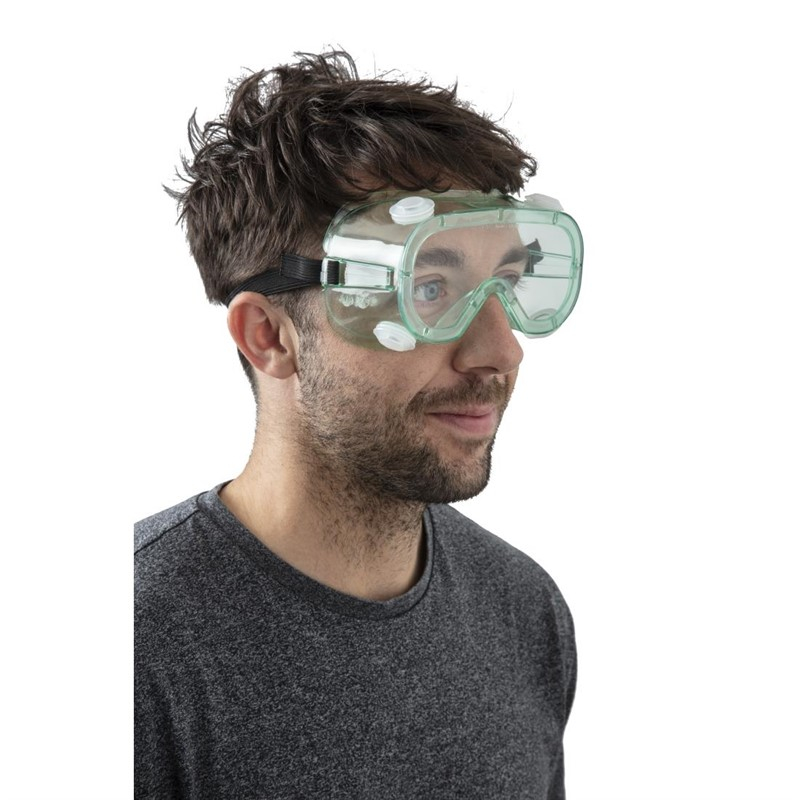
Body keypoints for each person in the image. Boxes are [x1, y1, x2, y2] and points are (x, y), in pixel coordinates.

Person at [135, 50, 582, 799]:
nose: (500, 352)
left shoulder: (522, 610)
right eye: (429, 287)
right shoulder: (133, 646)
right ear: (269, 337)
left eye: (505, 282)